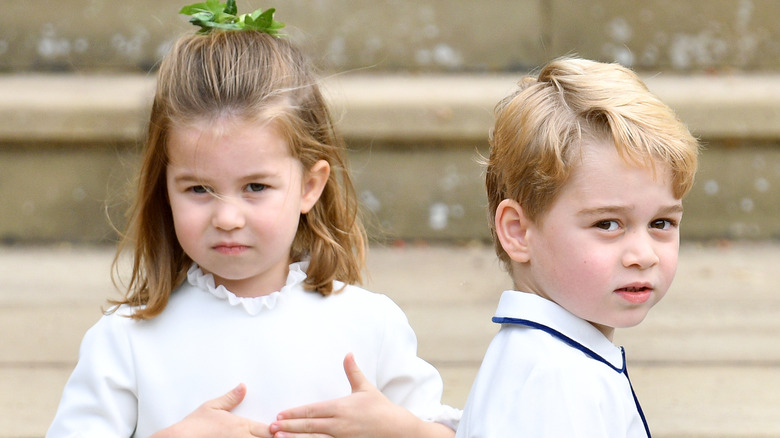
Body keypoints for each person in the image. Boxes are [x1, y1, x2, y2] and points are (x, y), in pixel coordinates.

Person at [46, 4, 459, 437]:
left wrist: (404, 431)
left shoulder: (370, 325)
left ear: (309, 187)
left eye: (256, 188)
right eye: (198, 189)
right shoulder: (125, 342)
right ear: (163, 188)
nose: (226, 217)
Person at [455, 57, 699, 437]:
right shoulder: (558, 379)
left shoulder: (549, 357)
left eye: (660, 223)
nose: (644, 255)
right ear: (518, 232)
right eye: (607, 224)